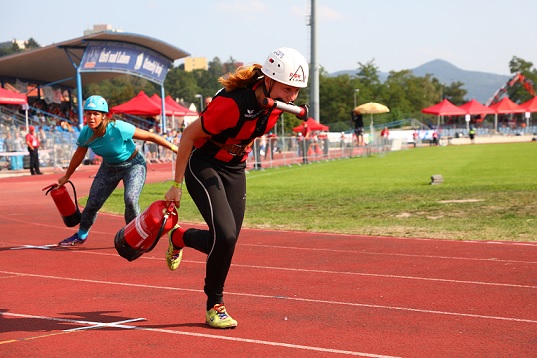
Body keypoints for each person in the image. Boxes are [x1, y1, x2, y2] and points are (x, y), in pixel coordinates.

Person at [164, 47, 309, 329]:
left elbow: (251, 132)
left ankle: (180, 237)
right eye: (287, 88)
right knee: (226, 236)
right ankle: (214, 305)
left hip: (235, 168)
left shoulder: (277, 106)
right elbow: (188, 136)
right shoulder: (231, 104)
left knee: (226, 240)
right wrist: (176, 185)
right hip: (203, 164)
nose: (292, 98)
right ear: (268, 80)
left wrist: (238, 152)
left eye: (296, 91)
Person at [57, 95, 178, 247]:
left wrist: (175, 148)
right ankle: (81, 235)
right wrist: (67, 175)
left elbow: (151, 136)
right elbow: (79, 155)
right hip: (109, 167)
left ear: (104, 116)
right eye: (88, 113)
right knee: (93, 202)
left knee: (130, 199)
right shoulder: (86, 133)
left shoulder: (119, 128)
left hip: (133, 165)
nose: (91, 117)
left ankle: (134, 237)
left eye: (96, 114)